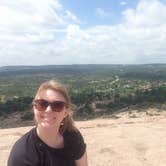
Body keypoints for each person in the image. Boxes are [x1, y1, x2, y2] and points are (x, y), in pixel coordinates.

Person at [8, 80, 88, 166]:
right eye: (42, 104)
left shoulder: (72, 136)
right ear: (34, 108)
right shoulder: (23, 156)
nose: (48, 110)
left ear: (65, 112)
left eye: (57, 105)